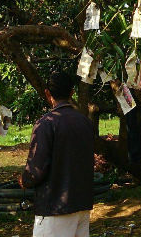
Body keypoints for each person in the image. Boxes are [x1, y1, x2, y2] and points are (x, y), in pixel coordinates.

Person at [20, 71, 94, 237]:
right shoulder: (85, 122)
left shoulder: (46, 123)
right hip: (81, 205)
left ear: (48, 93)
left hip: (55, 207)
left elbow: (36, 169)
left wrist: (25, 180)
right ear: (71, 93)